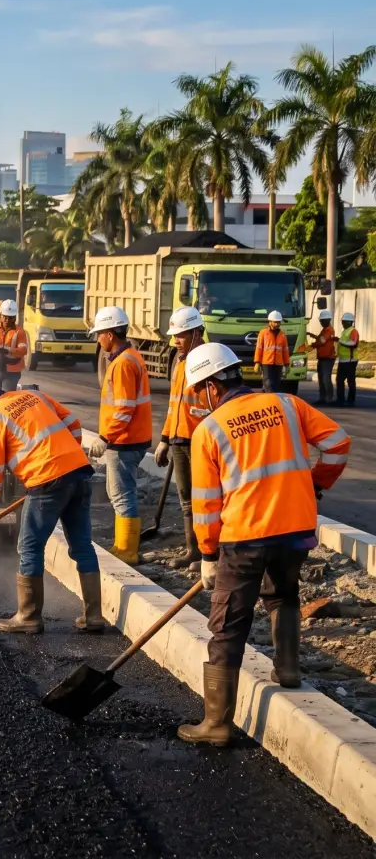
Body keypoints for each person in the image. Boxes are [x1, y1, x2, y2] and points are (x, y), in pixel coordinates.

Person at [178, 342, 350, 746]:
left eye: (197, 391)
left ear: (210, 387)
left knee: (228, 625)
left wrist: (207, 553)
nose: (197, 400)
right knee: (283, 594)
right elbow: (338, 444)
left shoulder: (210, 430)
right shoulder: (288, 404)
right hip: (296, 529)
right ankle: (288, 670)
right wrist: (316, 481)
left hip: (245, 538)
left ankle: (216, 724)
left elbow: (206, 506)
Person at [0, 360, 100, 634]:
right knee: (83, 546)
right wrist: (67, 458)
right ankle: (93, 617)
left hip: (47, 482)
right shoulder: (33, 395)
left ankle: (29, 616)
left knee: (29, 548)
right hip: (79, 473)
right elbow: (73, 423)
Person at [86, 305, 152, 564]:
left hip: (124, 441)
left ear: (111, 334)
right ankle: (124, 545)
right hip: (131, 438)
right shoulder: (130, 357)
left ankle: (127, 550)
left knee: (122, 495)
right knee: (123, 493)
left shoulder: (123, 363)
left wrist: (106, 438)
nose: (98, 339)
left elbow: (124, 408)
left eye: (99, 333)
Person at [154, 306, 207, 573]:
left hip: (200, 441)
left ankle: (209, 552)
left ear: (197, 332)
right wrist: (165, 439)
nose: (176, 340)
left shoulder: (207, 361)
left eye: (181, 335)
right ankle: (192, 550)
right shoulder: (181, 361)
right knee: (186, 497)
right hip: (178, 438)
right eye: (174, 335)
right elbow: (175, 405)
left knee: (205, 499)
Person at [0, 299, 27, 391]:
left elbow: (23, 350)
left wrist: (9, 350)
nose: (7, 320)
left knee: (7, 395)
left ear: (15, 317)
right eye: (5, 317)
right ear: (1, 315)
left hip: (12, 370)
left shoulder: (20, 332)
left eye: (10, 318)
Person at [253, 310, 290, 394]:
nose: (277, 324)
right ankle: (269, 400)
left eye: (278, 322)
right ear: (270, 322)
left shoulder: (282, 335)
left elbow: (285, 350)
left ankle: (273, 401)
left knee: (276, 385)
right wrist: (257, 362)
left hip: (278, 364)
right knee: (268, 383)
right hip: (267, 363)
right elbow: (259, 348)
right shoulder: (263, 333)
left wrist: (287, 364)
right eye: (275, 322)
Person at [314, 310, 337, 406]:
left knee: (326, 378)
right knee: (321, 378)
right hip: (322, 357)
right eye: (321, 320)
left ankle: (329, 398)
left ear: (327, 320)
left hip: (328, 358)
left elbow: (322, 341)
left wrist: (313, 345)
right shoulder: (324, 330)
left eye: (322, 320)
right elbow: (321, 339)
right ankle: (322, 398)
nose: (321, 322)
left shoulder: (329, 330)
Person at [338, 311, 361, 407]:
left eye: (344, 321)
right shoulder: (345, 331)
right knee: (339, 380)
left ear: (349, 322)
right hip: (343, 360)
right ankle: (341, 400)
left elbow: (353, 343)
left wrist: (340, 341)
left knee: (350, 380)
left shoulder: (353, 331)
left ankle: (350, 400)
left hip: (350, 361)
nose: (342, 323)